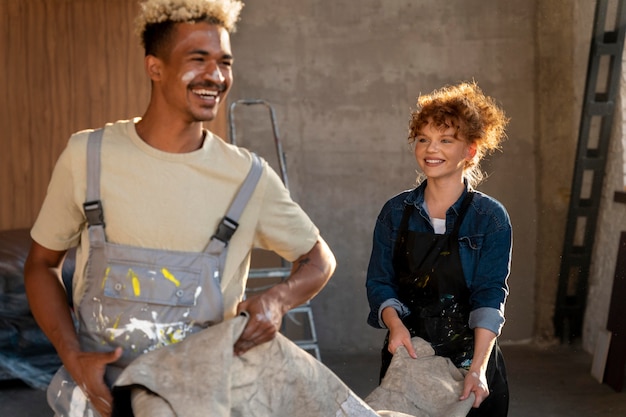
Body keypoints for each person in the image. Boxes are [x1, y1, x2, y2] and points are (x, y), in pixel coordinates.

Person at [23, 1, 336, 416]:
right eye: (198, 59)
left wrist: (278, 300)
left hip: (201, 401)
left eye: (225, 62)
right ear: (155, 67)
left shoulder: (248, 178)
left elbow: (319, 259)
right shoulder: (88, 156)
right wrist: (72, 356)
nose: (216, 76)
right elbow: (40, 265)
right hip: (96, 400)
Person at [365, 81, 511, 416]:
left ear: (470, 151)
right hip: (409, 358)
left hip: (472, 361)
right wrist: (395, 326)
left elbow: (490, 295)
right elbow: (380, 283)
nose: (432, 149)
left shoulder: (489, 217)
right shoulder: (395, 212)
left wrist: (477, 368)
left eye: (446, 140)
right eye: (423, 139)